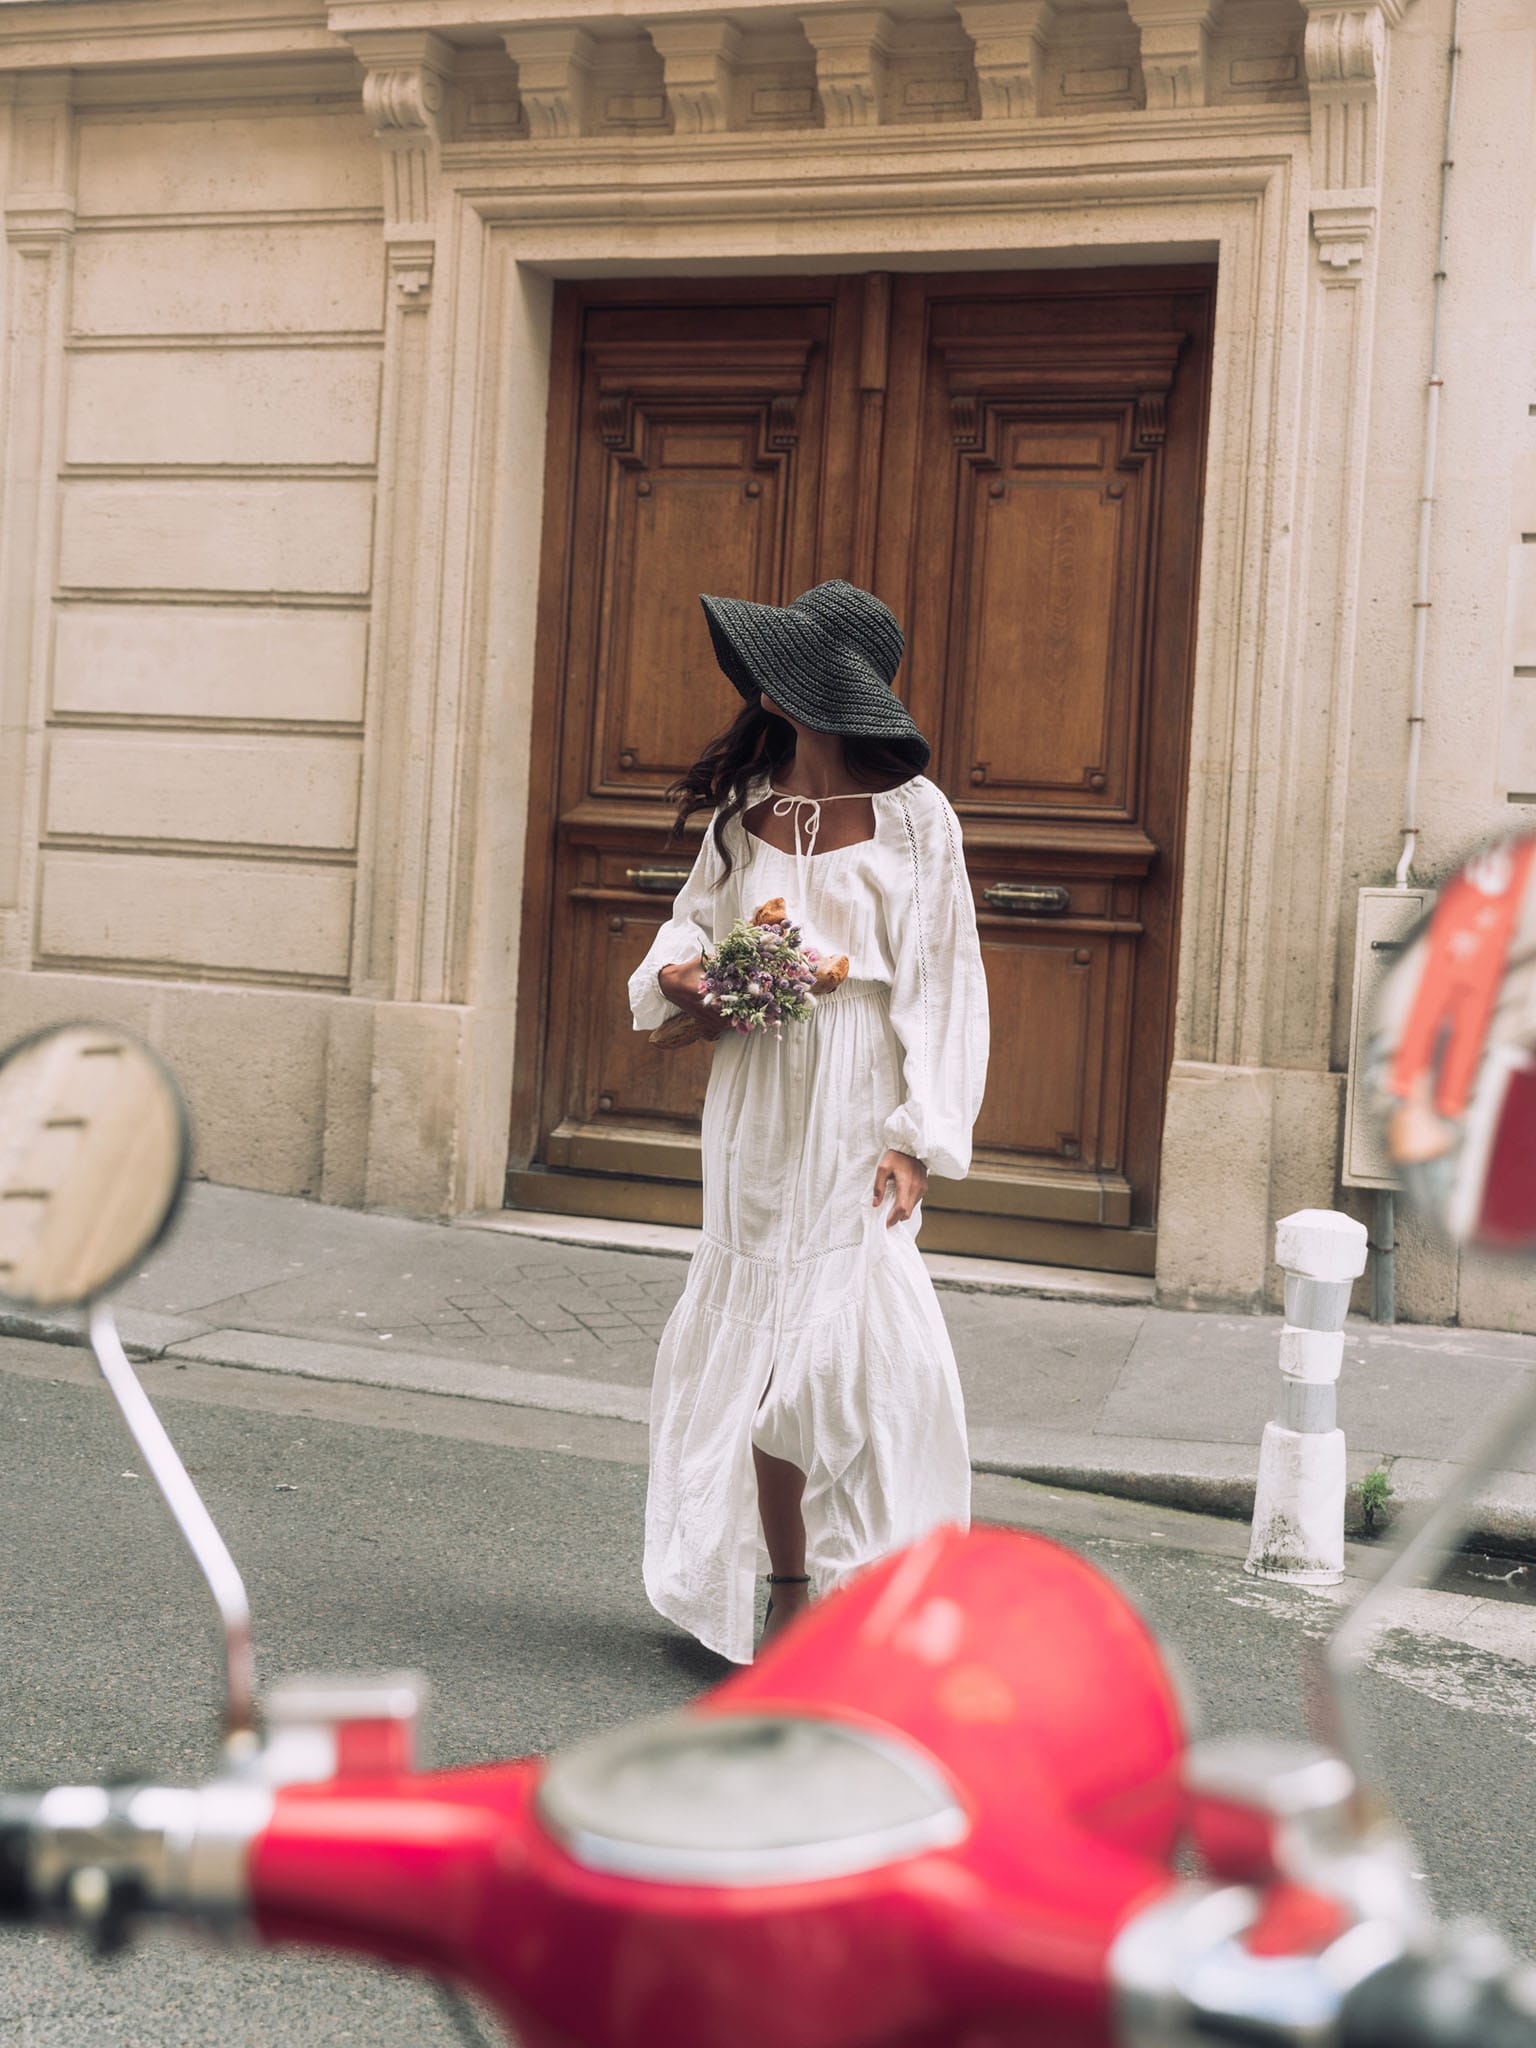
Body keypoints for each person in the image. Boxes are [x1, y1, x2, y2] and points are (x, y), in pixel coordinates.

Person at [627, 579, 990, 1663]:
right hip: (755, 1095)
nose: (768, 691)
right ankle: (785, 1583)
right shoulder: (747, 806)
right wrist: (694, 982)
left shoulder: (918, 817)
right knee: (758, 1345)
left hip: (854, 1088)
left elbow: (943, 976)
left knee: (850, 1354)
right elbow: (686, 927)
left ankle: (884, 1586)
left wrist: (917, 1131)